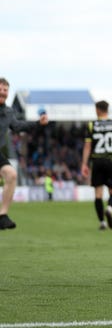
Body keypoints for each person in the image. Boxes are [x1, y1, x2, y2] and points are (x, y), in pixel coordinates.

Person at [0, 77, 49, 229]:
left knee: (12, 175)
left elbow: (18, 126)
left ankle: (2, 215)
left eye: (5, 90)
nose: (3, 92)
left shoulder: (8, 112)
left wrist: (38, 123)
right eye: (0, 89)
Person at [81, 100, 112, 230]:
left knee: (98, 194)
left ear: (98, 110)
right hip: (111, 161)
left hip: (97, 161)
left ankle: (102, 222)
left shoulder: (92, 125)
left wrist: (84, 164)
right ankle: (110, 209)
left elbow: (87, 146)